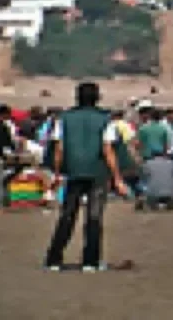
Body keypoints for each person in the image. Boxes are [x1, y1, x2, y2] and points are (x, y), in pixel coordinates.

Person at [44, 82, 126, 273]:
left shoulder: (63, 119)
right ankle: (90, 261)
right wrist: (117, 178)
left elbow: (59, 150)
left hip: (73, 172)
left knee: (67, 215)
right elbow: (108, 150)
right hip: (97, 172)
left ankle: (54, 259)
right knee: (94, 217)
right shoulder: (105, 119)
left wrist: (56, 174)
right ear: (97, 98)